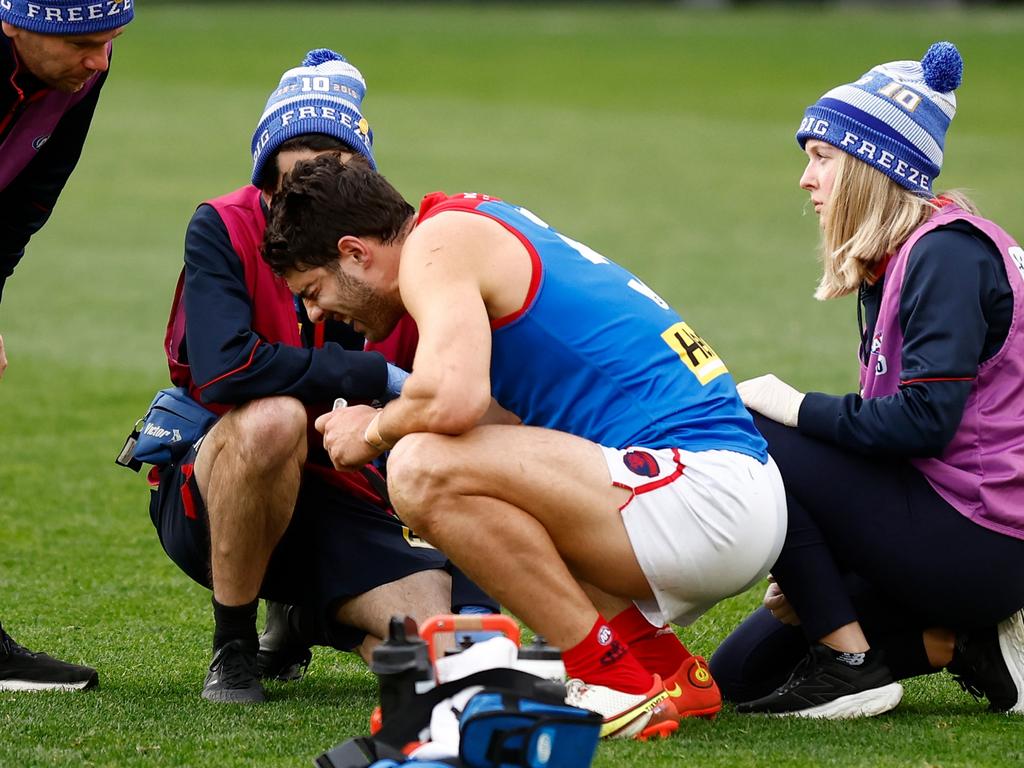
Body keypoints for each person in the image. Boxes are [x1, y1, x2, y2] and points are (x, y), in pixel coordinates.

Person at [260, 158, 788, 739]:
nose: (316, 313)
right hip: (725, 490)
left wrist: (372, 430)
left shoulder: (435, 247)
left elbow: (454, 402)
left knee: (418, 467)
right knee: (442, 456)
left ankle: (611, 678)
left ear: (355, 252)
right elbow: (495, 422)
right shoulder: (465, 222)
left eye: (314, 290)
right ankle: (662, 669)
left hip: (701, 493)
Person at [147, 50, 494, 705]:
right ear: (263, 182)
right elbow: (226, 371)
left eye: (332, 177)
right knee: (273, 417)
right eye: (289, 182)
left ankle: (310, 614)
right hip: (217, 485)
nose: (306, 199)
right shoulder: (221, 226)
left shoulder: (396, 256)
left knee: (446, 654)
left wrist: (476, 619)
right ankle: (234, 648)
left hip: (346, 496)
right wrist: (375, 374)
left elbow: (458, 418)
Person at [708, 41, 1024, 719]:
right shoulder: (907, 255)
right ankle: (957, 643)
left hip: (980, 540)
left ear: (871, 166)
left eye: (822, 157)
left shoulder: (947, 255)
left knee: (755, 422)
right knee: (738, 673)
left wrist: (794, 407)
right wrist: (807, 552)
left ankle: (850, 665)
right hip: (947, 523)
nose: (806, 179)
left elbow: (923, 423)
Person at [0, 0, 133, 691]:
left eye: (110, 42)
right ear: (12, 22)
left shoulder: (79, 72)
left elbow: (26, 200)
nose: (100, 61)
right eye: (84, 43)